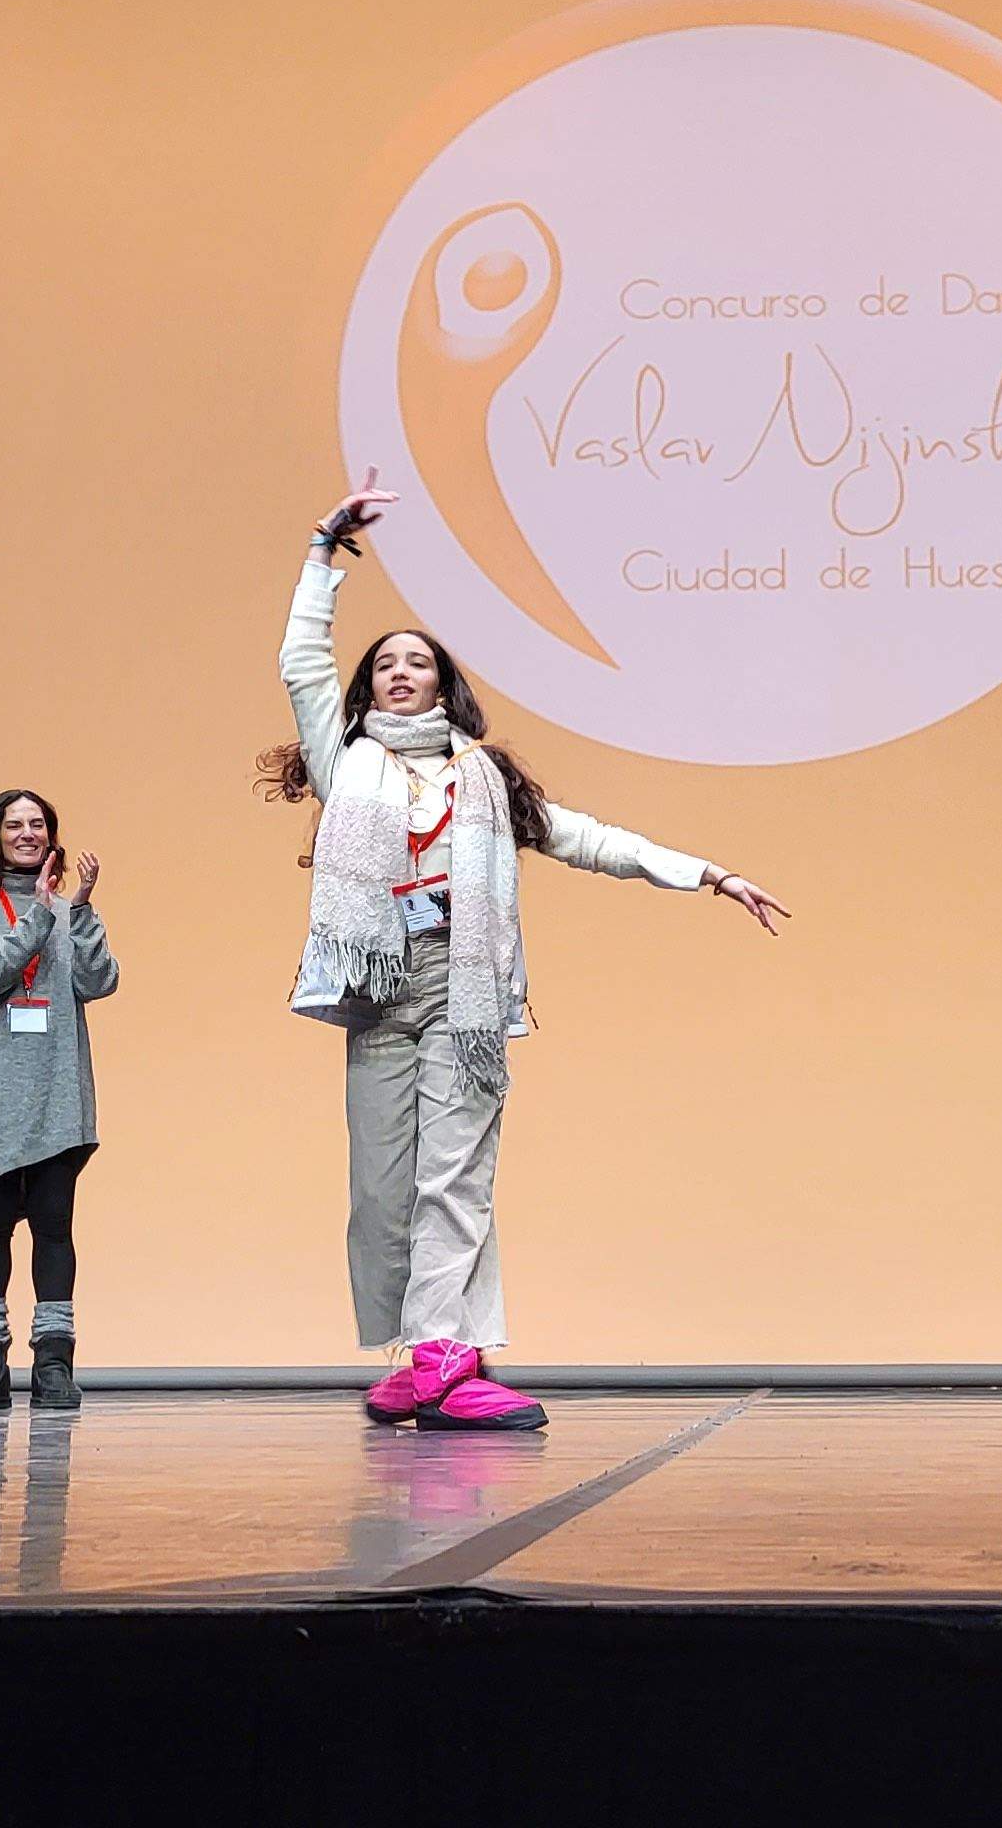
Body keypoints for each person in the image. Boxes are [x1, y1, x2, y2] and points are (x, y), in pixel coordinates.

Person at [264, 476, 790, 1432]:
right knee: (382, 1189)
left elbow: (593, 838)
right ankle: (418, 1353)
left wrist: (707, 874)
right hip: (382, 992)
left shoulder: (486, 778)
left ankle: (441, 1360)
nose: (398, 671)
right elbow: (302, 665)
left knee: (454, 1179)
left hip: (463, 998)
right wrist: (322, 553)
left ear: (443, 683)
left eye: (417, 661)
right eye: (385, 662)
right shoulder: (348, 765)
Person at [0, 789, 119, 1410]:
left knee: (54, 1225)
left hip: (57, 1088)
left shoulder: (71, 914)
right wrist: (43, 917)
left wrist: (84, 911)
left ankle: (53, 1362)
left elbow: (101, 982)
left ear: (51, 837)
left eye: (37, 824)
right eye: (13, 824)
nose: (26, 833)